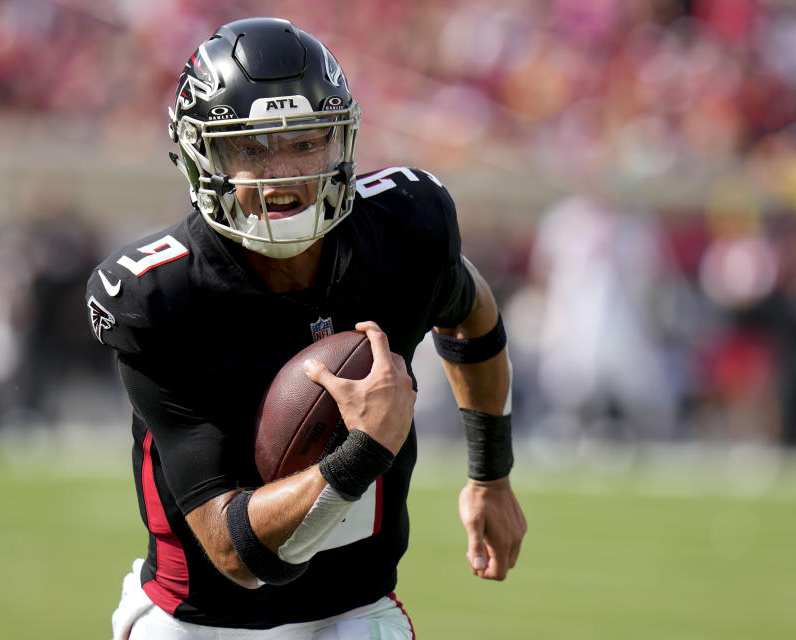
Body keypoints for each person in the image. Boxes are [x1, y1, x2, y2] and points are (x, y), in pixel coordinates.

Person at [86, 17, 527, 639]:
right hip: (203, 623)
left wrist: (491, 475)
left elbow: (471, 312)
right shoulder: (161, 297)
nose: (282, 173)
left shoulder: (403, 230)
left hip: (354, 611)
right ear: (202, 157)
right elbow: (235, 557)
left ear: (340, 141)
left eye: (305, 141)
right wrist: (365, 448)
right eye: (251, 147)